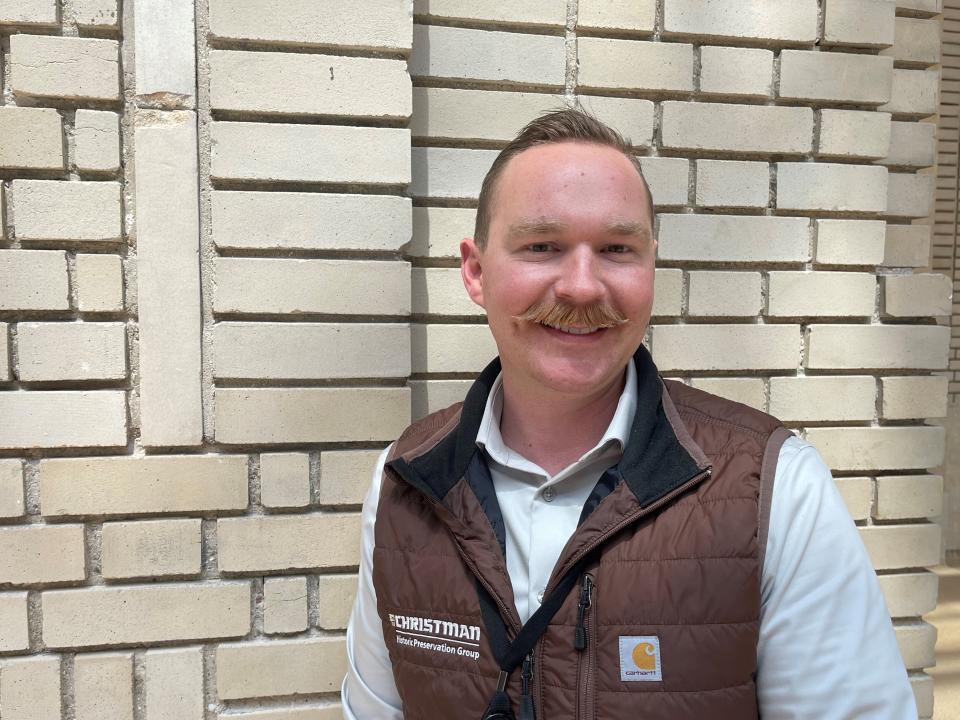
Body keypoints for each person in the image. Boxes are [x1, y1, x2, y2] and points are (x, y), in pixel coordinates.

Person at [342, 109, 916, 719]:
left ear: (651, 266)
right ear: (476, 272)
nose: (583, 287)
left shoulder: (773, 488)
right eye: (543, 246)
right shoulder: (403, 483)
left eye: (617, 249)